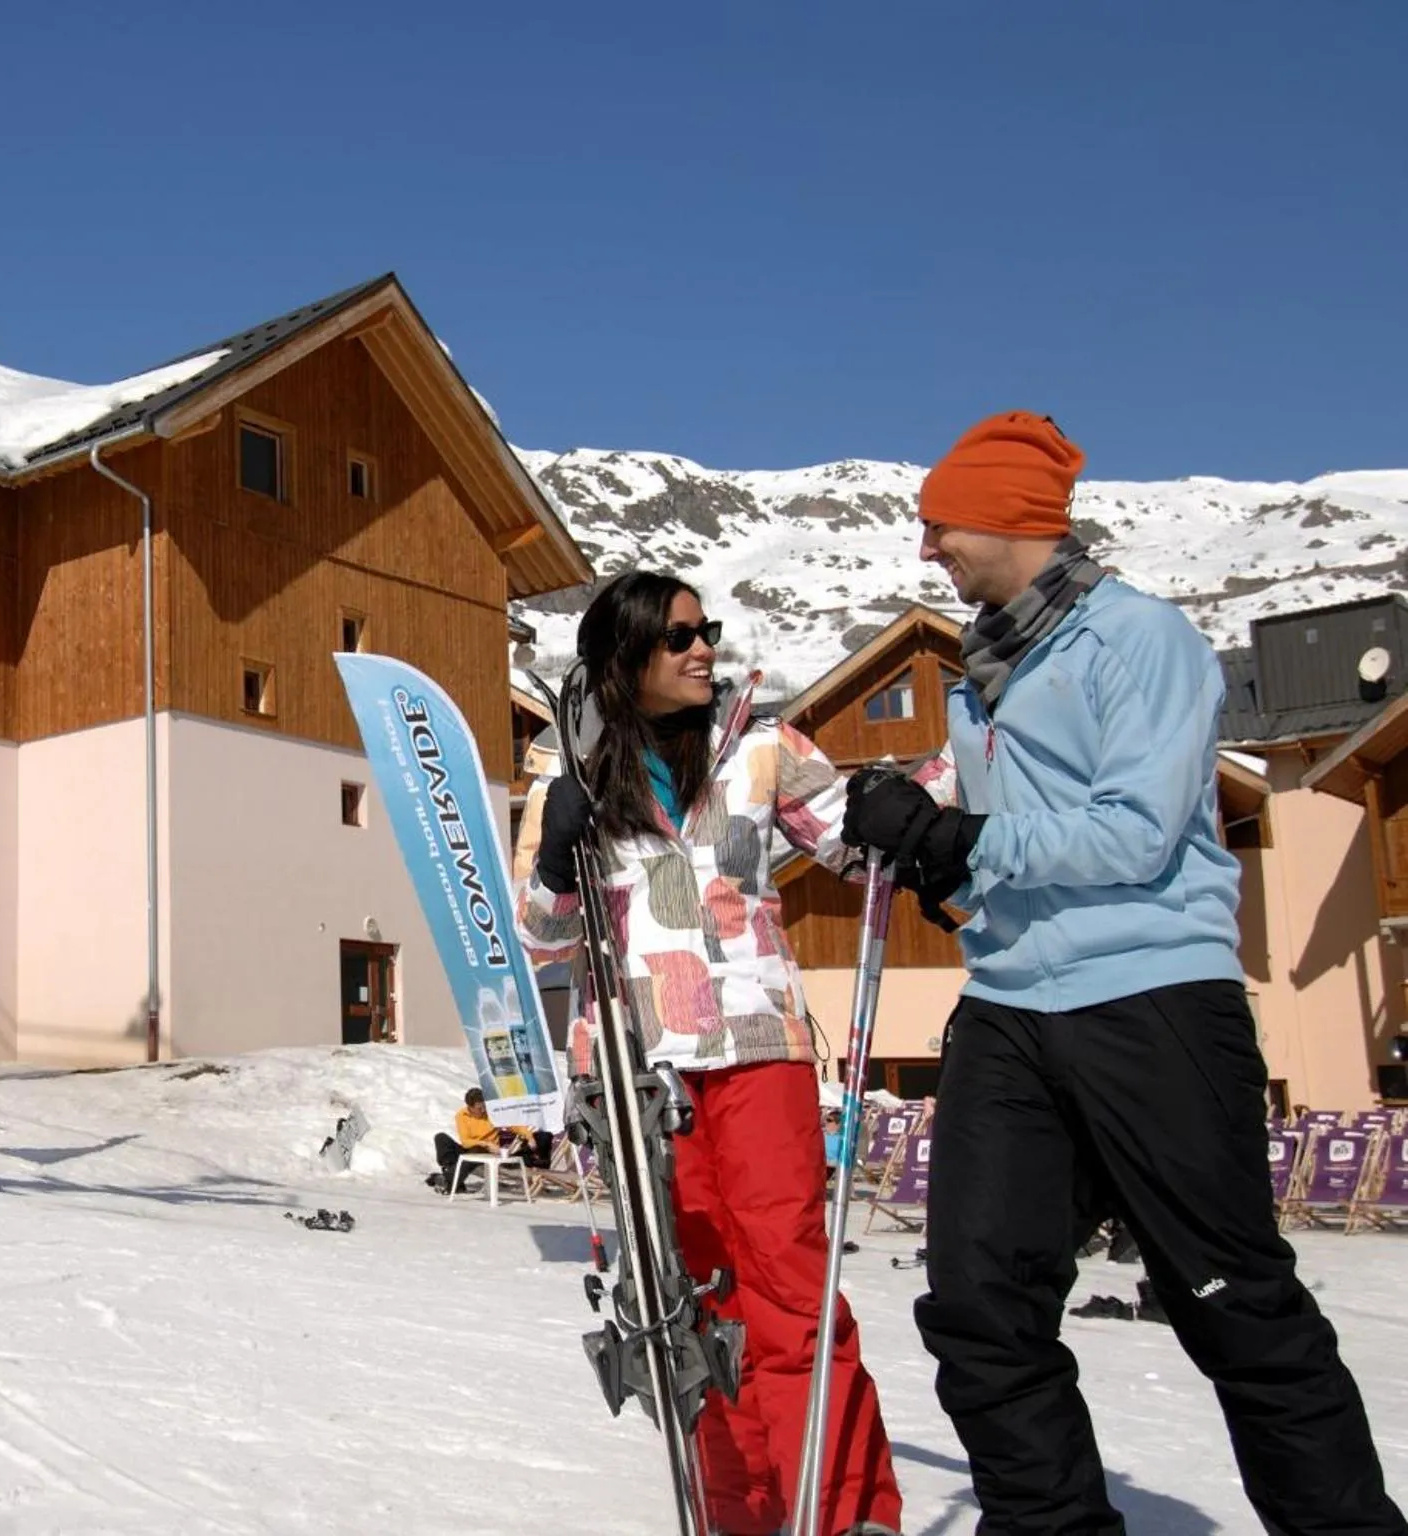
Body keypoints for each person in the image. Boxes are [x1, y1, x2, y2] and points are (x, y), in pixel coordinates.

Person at [840, 411, 1404, 1535]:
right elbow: (1014, 854)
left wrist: (966, 840)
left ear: (1006, 516)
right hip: (1007, 1005)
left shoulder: (1138, 640)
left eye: (940, 524)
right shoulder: (978, 675)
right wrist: (922, 850)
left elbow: (1136, 835)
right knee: (980, 1307)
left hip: (1150, 998)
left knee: (1229, 1302)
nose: (927, 550)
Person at [521, 570, 903, 1536]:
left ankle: (842, 1512)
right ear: (624, 658)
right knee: (693, 1302)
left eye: (707, 631)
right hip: (639, 1068)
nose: (704, 650)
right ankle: (740, 1514)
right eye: (678, 637)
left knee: (788, 1284)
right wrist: (557, 861)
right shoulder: (559, 767)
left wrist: (907, 808)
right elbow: (540, 939)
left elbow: (860, 843)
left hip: (754, 1044)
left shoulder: (761, 748)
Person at [430, 1088, 552, 1193]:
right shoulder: (461, 1115)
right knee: (441, 1138)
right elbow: (465, 1141)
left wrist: (529, 1137)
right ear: (470, 1107)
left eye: (484, 1106)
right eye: (479, 1108)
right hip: (473, 1148)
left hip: (487, 1154)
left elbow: (515, 1125)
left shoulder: (492, 1113)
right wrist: (486, 1143)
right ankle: (454, 1180)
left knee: (477, 1149)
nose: (483, 1110)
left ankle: (448, 1180)